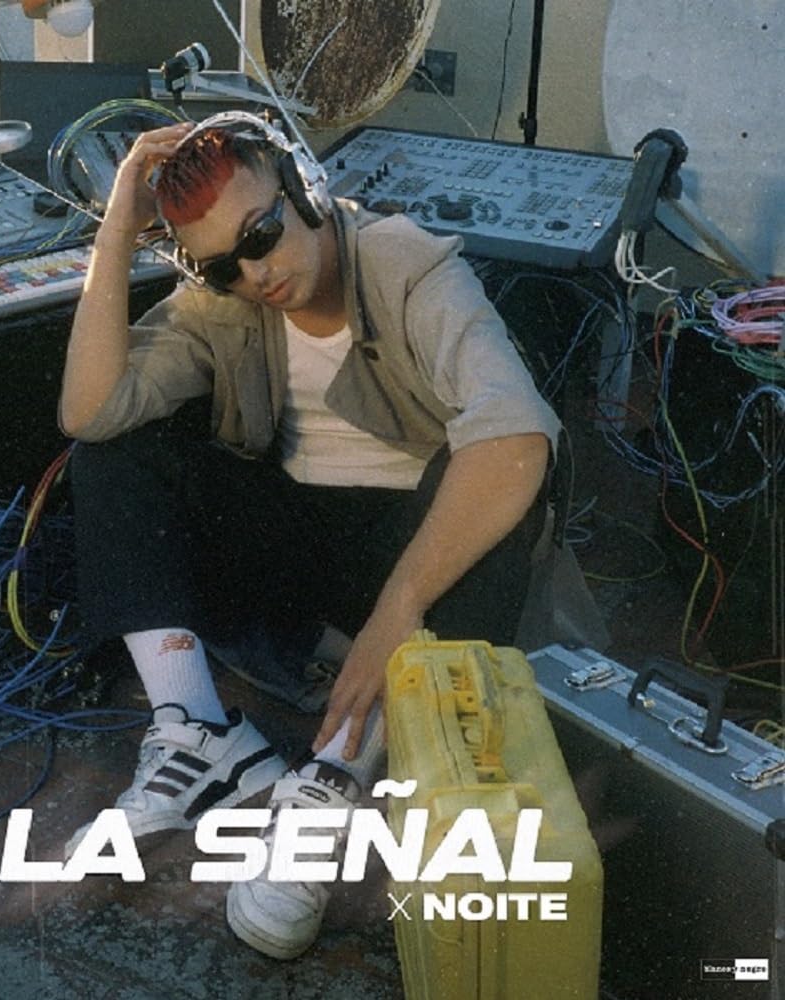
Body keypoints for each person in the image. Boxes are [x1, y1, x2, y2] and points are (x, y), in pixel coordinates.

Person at [57, 112, 560, 960]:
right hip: (305, 548)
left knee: (500, 460)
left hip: (419, 561)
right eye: (224, 264)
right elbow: (91, 409)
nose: (255, 273)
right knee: (113, 452)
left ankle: (336, 776)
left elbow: (518, 438)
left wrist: (398, 611)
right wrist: (115, 232)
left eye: (261, 235)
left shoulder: (407, 265)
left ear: (305, 188)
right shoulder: (222, 302)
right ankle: (198, 730)